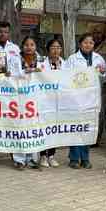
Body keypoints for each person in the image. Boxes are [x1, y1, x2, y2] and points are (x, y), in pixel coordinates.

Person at [66, 32, 106, 169]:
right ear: (80, 44)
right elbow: (66, 77)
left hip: (92, 99)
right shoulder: (72, 59)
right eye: (85, 42)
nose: (88, 45)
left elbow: (104, 75)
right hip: (76, 99)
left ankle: (85, 158)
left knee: (87, 129)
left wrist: (102, 70)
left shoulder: (98, 58)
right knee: (76, 128)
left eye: (91, 43)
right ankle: (74, 158)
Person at [12, 35, 43, 170]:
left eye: (32, 45)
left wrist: (38, 71)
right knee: (19, 128)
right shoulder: (15, 59)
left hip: (35, 99)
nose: (29, 47)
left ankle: (31, 159)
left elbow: (46, 76)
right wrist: (27, 71)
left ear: (35, 47)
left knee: (34, 128)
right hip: (19, 98)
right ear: (22, 47)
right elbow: (13, 75)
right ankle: (19, 159)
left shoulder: (41, 60)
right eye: (26, 45)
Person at [39, 37, 66, 168]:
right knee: (44, 128)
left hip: (59, 102)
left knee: (55, 129)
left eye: (58, 48)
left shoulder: (65, 64)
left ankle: (52, 155)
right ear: (48, 49)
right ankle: (43, 155)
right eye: (53, 47)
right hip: (44, 101)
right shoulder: (41, 64)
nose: (56, 50)